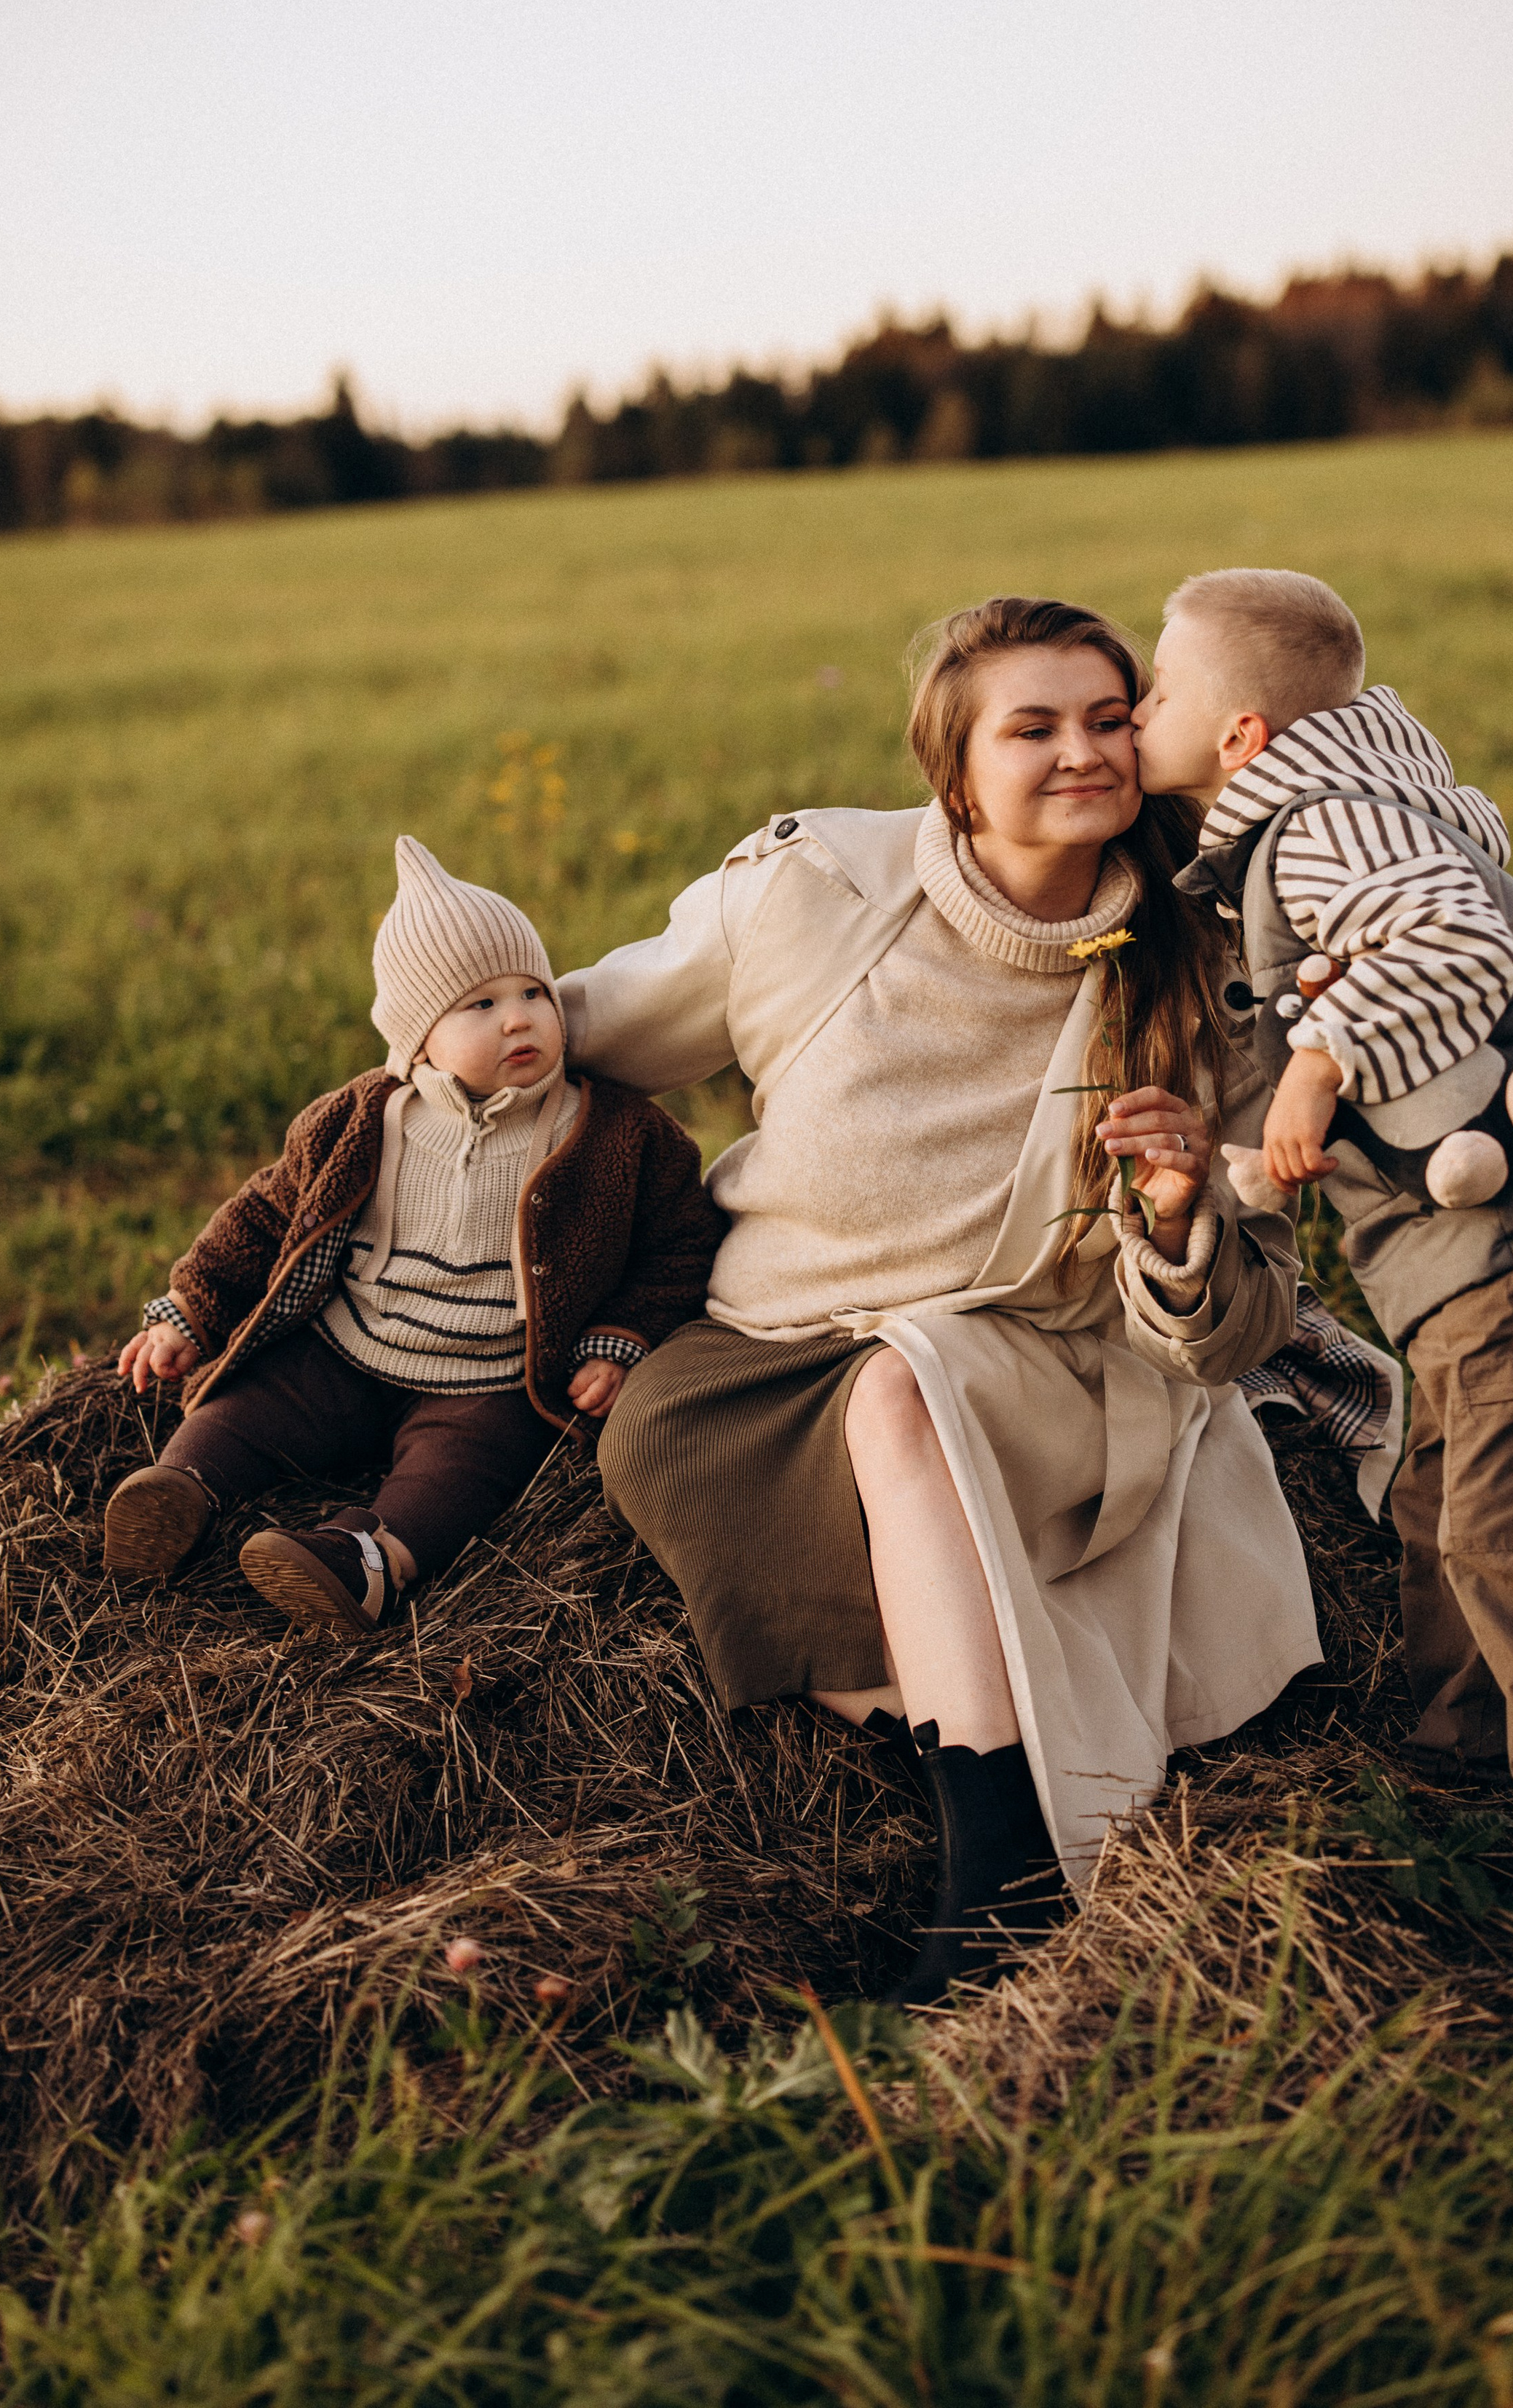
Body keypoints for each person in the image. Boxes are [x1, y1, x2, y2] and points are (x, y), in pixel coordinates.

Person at [558, 596, 1329, 2002]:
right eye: (1031, 727)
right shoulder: (817, 895)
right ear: (953, 771)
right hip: (778, 1340)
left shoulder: (1205, 964)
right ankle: (990, 1720)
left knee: (903, 1385)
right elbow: (587, 1030)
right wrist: (403, 1107)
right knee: (655, 1435)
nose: (1082, 752)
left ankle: (1002, 1875)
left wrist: (1177, 1223)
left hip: (1045, 1375)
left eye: (1110, 718)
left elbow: (1247, 1322)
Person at [1134, 565, 1513, 1945]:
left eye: (1157, 690)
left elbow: (1446, 934)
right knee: (1447, 1495)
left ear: (1240, 739)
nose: (1138, 711)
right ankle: (1463, 1759)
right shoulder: (1309, 827)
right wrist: (1219, 1166)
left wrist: (1317, 1063)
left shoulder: (1323, 827)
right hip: (1474, 1250)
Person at [103, 837, 722, 1636]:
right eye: (479, 1005)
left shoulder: (614, 1133)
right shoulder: (363, 1119)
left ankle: (368, 1561)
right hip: (345, 1348)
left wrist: (619, 1337)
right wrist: (190, 1305)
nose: (519, 1017)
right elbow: (261, 1214)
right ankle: (179, 1490)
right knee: (248, 1407)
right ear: (418, 1038)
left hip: (490, 1376)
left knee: (464, 1471)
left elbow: (680, 1242)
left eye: (533, 990)